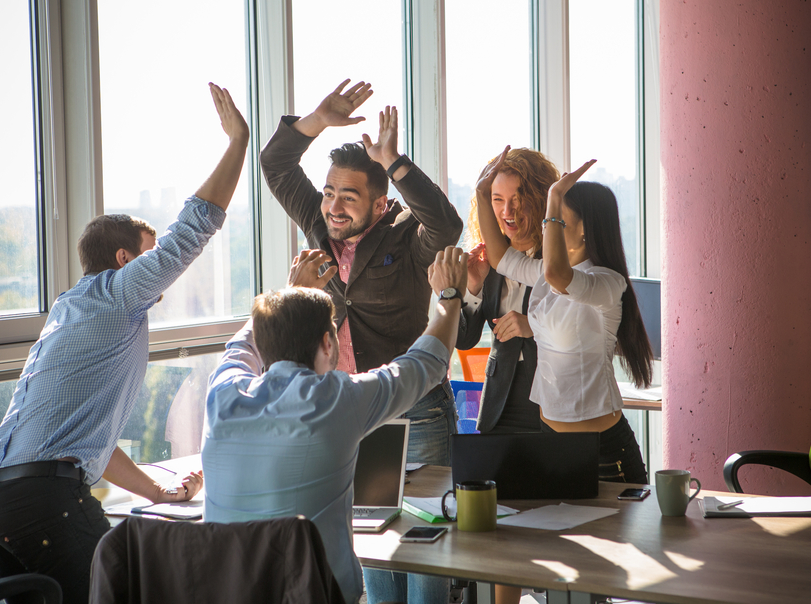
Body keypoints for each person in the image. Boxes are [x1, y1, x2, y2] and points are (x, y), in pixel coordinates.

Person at [0, 82, 249, 603]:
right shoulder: (119, 295)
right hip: (44, 502)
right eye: (148, 257)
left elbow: (84, 447)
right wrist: (238, 145)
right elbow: (192, 230)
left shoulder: (69, 310)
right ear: (125, 261)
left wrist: (159, 492)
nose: (157, 272)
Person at [260, 79, 462, 603]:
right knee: (372, 541)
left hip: (415, 409)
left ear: (379, 204)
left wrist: (396, 162)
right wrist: (317, 120)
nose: (332, 206)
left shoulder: (402, 233)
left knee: (424, 546)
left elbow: (446, 226)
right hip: (351, 408)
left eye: (348, 197)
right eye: (329, 193)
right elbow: (277, 164)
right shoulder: (317, 225)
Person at [201, 246, 468, 604]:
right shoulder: (334, 399)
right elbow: (425, 364)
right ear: (329, 344)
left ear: (263, 348)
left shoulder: (222, 392)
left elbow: (239, 346)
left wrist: (287, 294)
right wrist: (449, 296)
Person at [476, 149, 654, 603]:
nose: (545, 226)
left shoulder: (604, 281)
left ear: (582, 227)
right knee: (533, 561)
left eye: (557, 219)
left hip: (601, 453)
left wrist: (554, 195)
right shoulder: (549, 274)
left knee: (594, 577)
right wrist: (483, 191)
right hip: (550, 442)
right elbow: (500, 257)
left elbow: (556, 274)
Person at [458, 149, 560, 433]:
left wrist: (533, 326)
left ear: (541, 200)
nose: (507, 212)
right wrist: (472, 288)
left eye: (517, 200)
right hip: (499, 403)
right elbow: (464, 341)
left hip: (552, 397)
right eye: (498, 200)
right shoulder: (485, 259)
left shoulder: (559, 259)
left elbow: (580, 325)